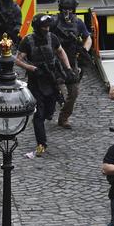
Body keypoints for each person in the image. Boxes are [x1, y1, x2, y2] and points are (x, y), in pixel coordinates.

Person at [14, 13, 72, 157]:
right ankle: (41, 143)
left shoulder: (52, 38)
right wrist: (31, 68)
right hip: (36, 81)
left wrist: (68, 68)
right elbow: (18, 60)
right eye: (43, 27)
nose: (46, 29)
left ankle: (48, 114)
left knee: (49, 111)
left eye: (48, 26)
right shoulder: (27, 41)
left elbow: (60, 51)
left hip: (52, 80)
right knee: (38, 114)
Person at [51, 0, 91, 128]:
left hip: (71, 61)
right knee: (51, 90)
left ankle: (63, 117)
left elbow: (87, 38)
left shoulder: (78, 22)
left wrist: (84, 50)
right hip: (54, 62)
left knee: (73, 92)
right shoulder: (53, 22)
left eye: (69, 9)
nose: (67, 12)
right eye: (64, 9)